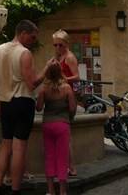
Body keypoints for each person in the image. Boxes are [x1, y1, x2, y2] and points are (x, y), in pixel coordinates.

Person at [0, 19, 49, 195]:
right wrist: (45, 71)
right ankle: (15, 190)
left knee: (5, 146)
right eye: (32, 37)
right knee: (19, 148)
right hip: (22, 101)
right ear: (22, 33)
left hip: (4, 103)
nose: (33, 40)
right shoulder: (25, 53)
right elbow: (31, 84)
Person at [36, 63, 76, 195]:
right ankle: (63, 191)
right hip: (62, 125)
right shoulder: (67, 88)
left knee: (49, 157)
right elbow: (72, 108)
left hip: (48, 124)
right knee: (62, 157)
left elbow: (39, 107)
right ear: (60, 72)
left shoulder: (43, 89)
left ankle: (51, 190)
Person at [50, 29, 79, 177]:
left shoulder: (69, 57)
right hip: (59, 96)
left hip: (67, 96)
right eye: (55, 45)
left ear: (66, 44)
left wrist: (62, 80)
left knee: (66, 135)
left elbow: (77, 77)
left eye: (60, 45)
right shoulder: (59, 56)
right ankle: (66, 165)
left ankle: (72, 167)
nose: (57, 48)